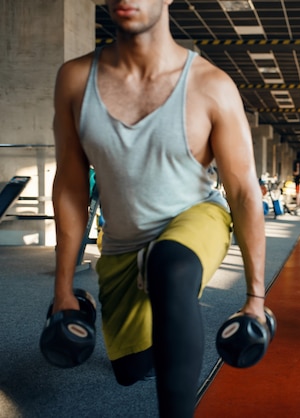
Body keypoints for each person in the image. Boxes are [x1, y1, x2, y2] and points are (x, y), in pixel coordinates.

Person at [51, 0, 266, 416]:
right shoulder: (75, 80)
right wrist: (62, 290)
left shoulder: (211, 85)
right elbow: (72, 187)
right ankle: (102, 306)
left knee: (171, 266)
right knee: (131, 369)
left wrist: (255, 296)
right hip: (122, 244)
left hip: (196, 218)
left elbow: (242, 192)